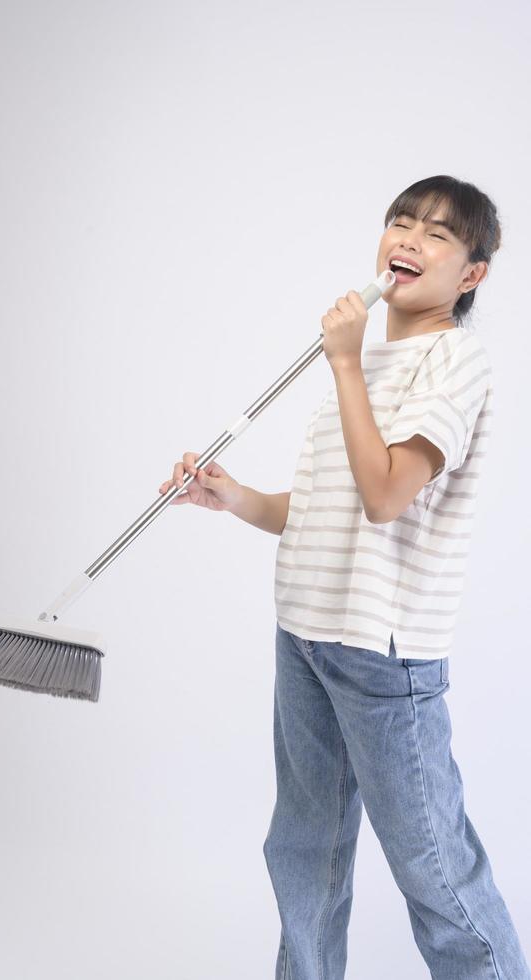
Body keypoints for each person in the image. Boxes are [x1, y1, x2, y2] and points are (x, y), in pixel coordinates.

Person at [159, 175, 530, 979]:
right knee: (303, 853)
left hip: (384, 654)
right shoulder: (361, 366)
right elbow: (330, 506)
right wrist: (236, 498)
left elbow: (387, 493)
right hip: (306, 635)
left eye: (437, 234)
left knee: (434, 870)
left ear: (472, 274)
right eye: (401, 222)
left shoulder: (455, 361)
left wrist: (346, 367)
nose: (410, 239)